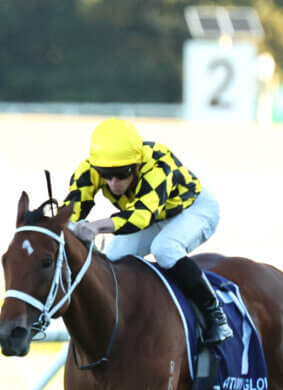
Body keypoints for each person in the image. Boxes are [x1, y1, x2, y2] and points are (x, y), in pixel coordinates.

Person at [63, 118, 232, 346]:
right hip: (153, 216)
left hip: (193, 209)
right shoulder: (90, 168)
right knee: (112, 261)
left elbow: (141, 216)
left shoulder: (158, 164)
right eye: (106, 174)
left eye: (122, 173)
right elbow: (72, 210)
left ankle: (216, 316)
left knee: (165, 249)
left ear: (137, 164)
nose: (113, 182)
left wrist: (95, 227)